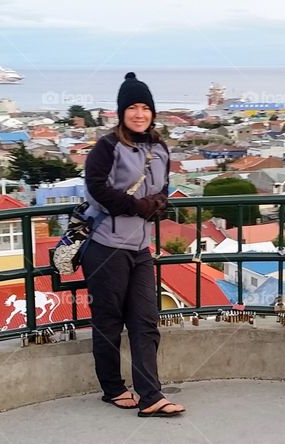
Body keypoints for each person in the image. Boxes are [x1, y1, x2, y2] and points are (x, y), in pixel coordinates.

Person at [79, 72, 185, 418]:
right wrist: (133, 206)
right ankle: (112, 388)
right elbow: (96, 187)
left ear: (153, 112)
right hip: (106, 245)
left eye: (145, 107)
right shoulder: (107, 147)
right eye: (132, 107)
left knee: (145, 320)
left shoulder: (159, 147)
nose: (139, 114)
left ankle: (151, 394)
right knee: (109, 321)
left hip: (140, 248)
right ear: (121, 112)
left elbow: (164, 188)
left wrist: (157, 204)